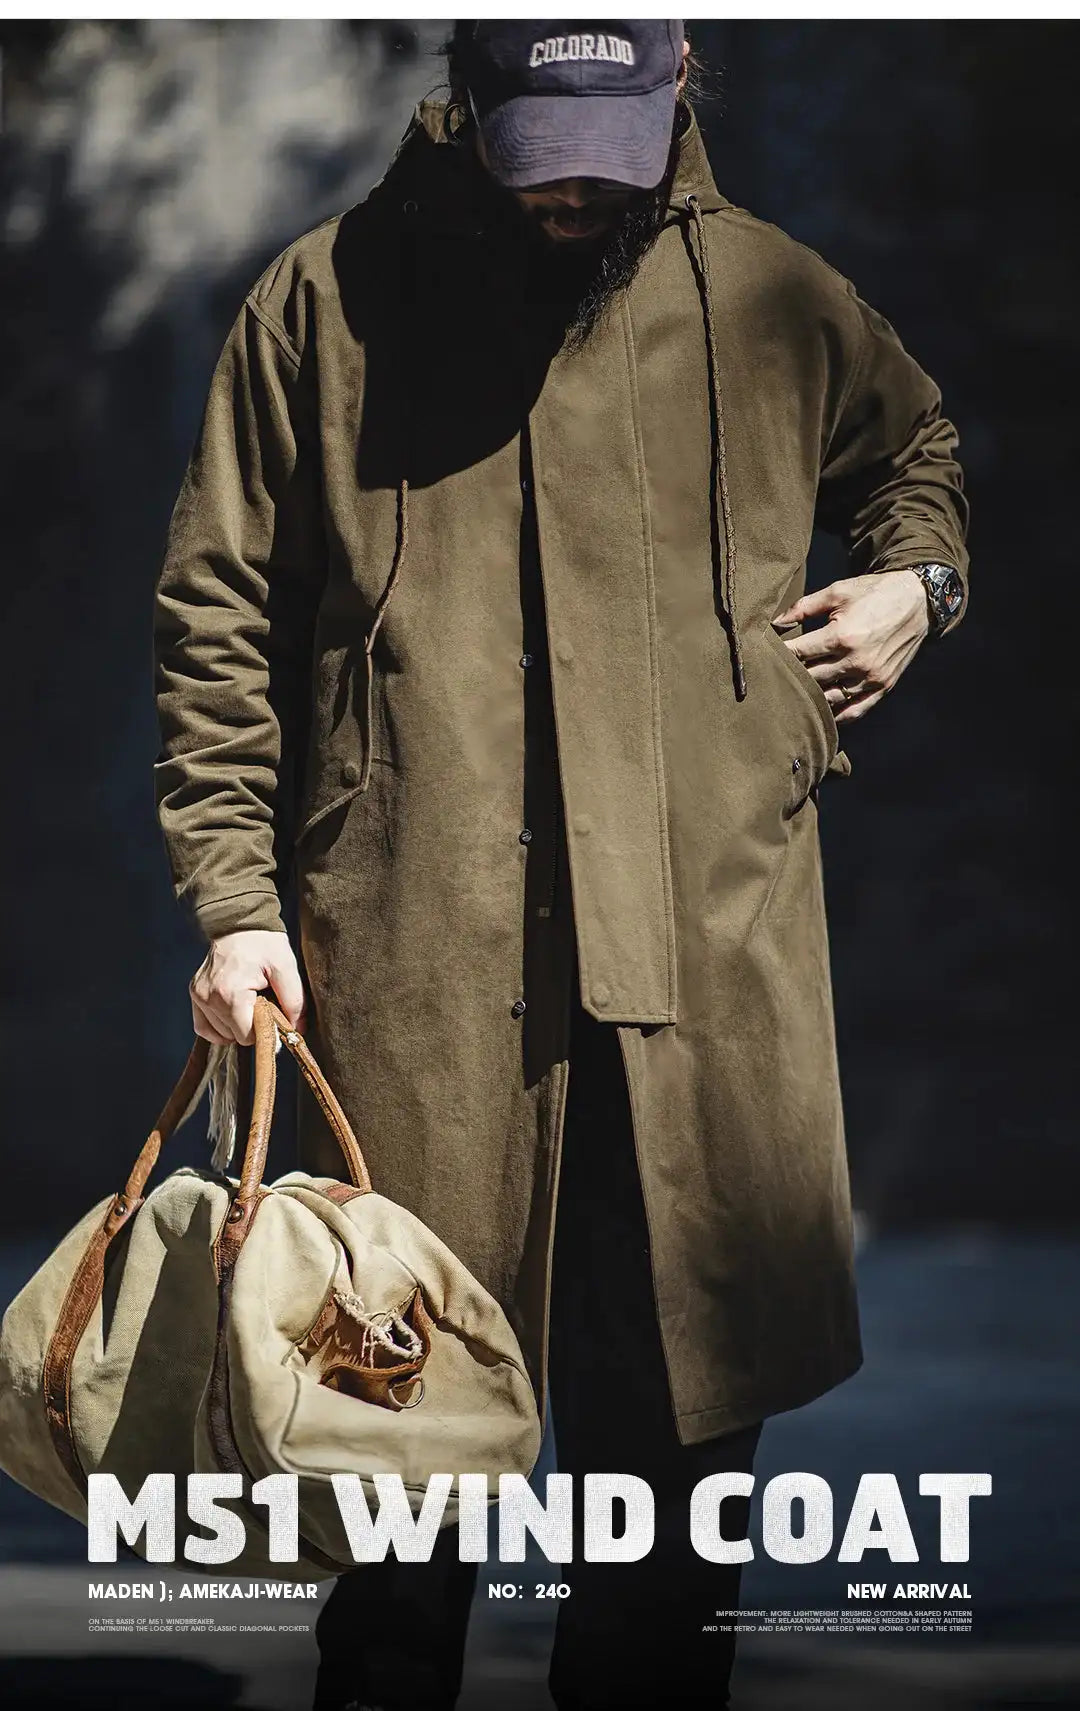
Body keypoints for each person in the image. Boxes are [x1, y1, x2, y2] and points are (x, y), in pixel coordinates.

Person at [153, 20, 969, 1709]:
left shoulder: (772, 294)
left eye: (611, 152)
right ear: (471, 113)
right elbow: (219, 616)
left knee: (673, 1514)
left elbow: (915, 459)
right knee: (392, 1481)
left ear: (680, 94)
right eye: (541, 159)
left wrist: (920, 586)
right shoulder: (324, 302)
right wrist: (235, 905)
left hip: (705, 972)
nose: (577, 191)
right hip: (416, 971)